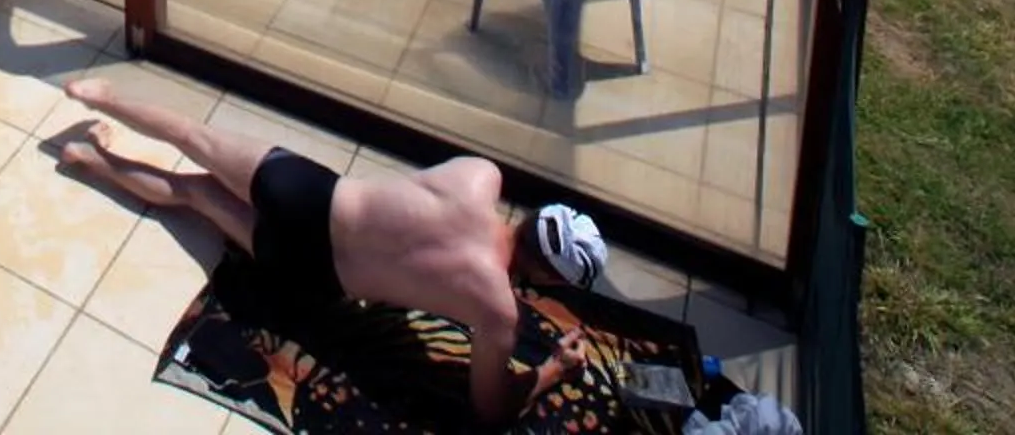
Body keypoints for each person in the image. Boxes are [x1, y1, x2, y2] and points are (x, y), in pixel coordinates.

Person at [54, 75, 608, 428]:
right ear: (551, 280)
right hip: (311, 262)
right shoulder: (495, 309)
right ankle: (89, 158)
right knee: (192, 194)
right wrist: (553, 369)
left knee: (194, 138)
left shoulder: (480, 177)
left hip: (309, 191)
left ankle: (101, 96)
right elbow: (490, 408)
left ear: (536, 218)